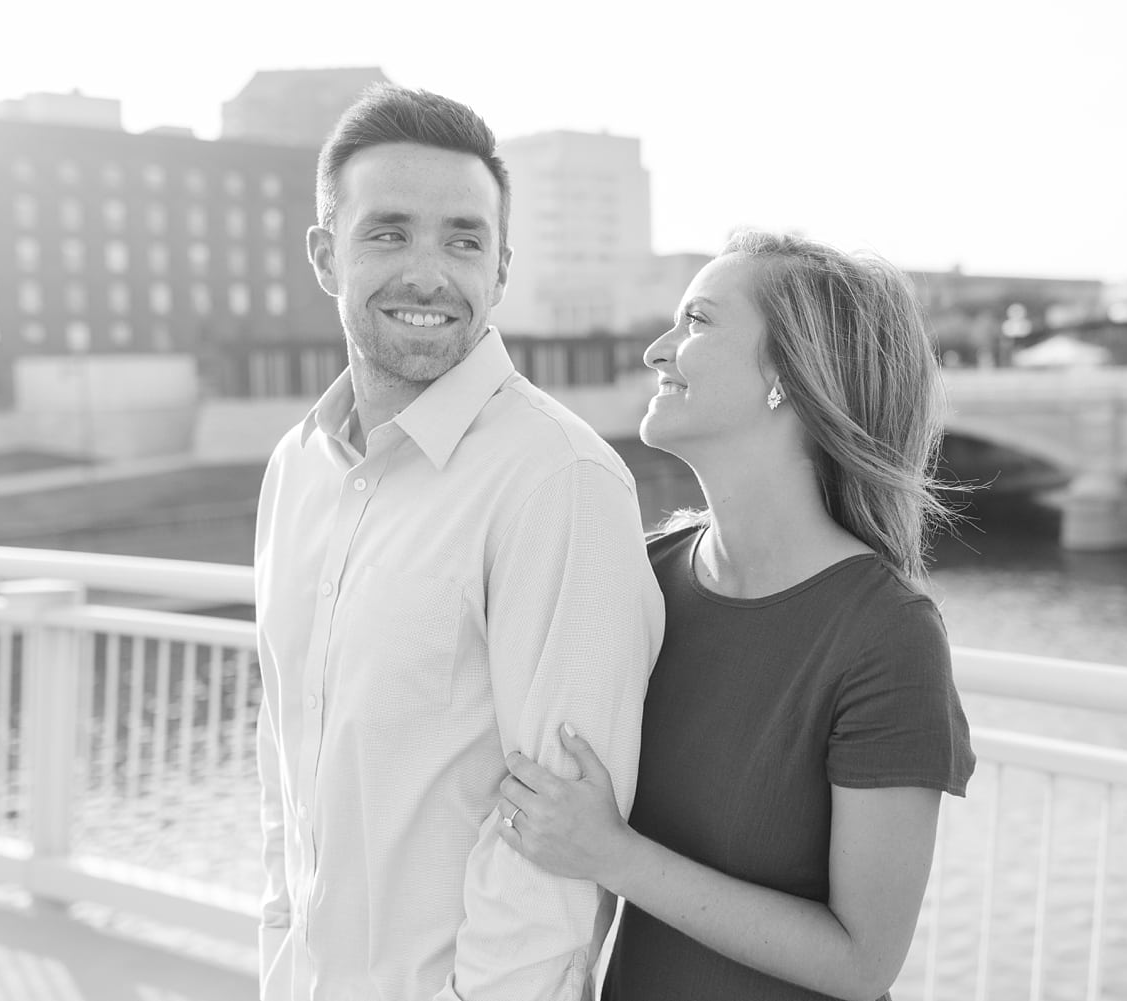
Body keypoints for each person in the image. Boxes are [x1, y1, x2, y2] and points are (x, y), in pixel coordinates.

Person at [253, 85, 664, 1001]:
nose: (430, 273)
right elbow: (287, 768)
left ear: (502, 268)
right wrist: (278, 958)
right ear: (327, 255)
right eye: (389, 232)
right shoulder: (295, 469)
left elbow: (556, 852)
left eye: (464, 239)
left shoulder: (559, 480)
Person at [495, 231, 976, 1000]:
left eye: (698, 321)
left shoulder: (887, 635)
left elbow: (863, 961)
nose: (658, 350)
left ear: (787, 372)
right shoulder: (642, 571)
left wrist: (613, 854)